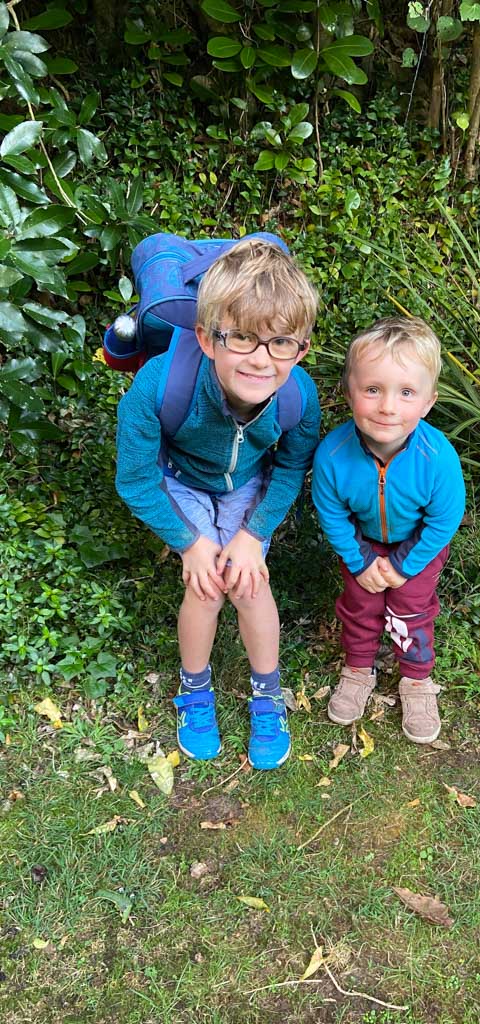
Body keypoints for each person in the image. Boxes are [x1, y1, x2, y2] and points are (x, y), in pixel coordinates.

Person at [116, 239, 320, 769]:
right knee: (206, 586)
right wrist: (190, 543)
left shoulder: (299, 395)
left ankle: (268, 695)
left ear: (300, 349)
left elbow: (291, 467)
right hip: (182, 480)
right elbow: (136, 480)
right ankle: (194, 689)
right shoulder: (158, 385)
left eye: (280, 342)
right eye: (243, 338)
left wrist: (253, 535)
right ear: (207, 338)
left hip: (246, 484)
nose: (261, 359)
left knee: (249, 581)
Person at [312, 316, 465, 744]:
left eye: (406, 393)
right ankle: (358, 668)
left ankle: (416, 678)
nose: (388, 407)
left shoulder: (438, 457)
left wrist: (401, 567)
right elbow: (331, 513)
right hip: (362, 544)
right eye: (373, 389)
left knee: (410, 609)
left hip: (418, 547)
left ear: (428, 402)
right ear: (348, 393)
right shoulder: (333, 454)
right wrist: (360, 561)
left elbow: (443, 520)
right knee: (360, 606)